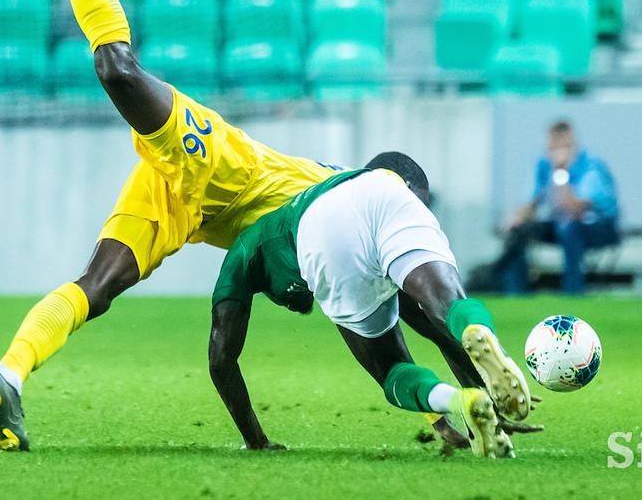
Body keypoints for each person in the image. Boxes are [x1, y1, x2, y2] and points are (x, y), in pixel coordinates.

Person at [0, 0, 385, 452]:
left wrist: (435, 415)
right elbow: (367, 327)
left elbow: (342, 328)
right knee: (117, 69)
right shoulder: (349, 197)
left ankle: (7, 375)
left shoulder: (334, 241)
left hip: (194, 210)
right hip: (223, 167)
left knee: (99, 286)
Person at [207, 157, 534, 458]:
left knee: (391, 370)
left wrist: (256, 441)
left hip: (322, 227)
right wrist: (474, 401)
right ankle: (478, 331)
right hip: (389, 197)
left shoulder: (246, 252)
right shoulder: (384, 189)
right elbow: (436, 330)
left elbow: (221, 360)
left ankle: (457, 399)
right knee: (450, 308)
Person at [477, 120, 619, 295]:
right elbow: (532, 203)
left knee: (571, 230)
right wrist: (518, 218)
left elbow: (574, 209)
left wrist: (561, 171)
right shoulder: (543, 164)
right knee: (521, 230)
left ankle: (573, 292)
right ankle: (515, 293)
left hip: (597, 226)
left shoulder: (591, 165)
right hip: (562, 224)